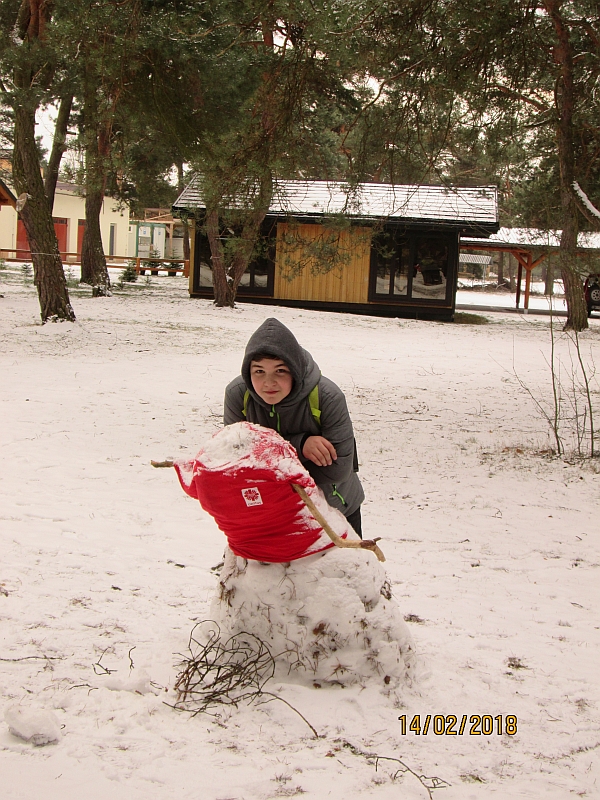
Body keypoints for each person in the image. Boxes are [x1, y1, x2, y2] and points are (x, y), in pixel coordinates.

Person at [223, 317, 365, 537]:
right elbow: (234, 460)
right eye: (259, 371)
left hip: (333, 508)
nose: (269, 382)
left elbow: (338, 469)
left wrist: (265, 463)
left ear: (295, 370)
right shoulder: (237, 395)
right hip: (268, 512)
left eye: (280, 371)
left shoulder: (328, 397)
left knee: (344, 570)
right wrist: (300, 446)